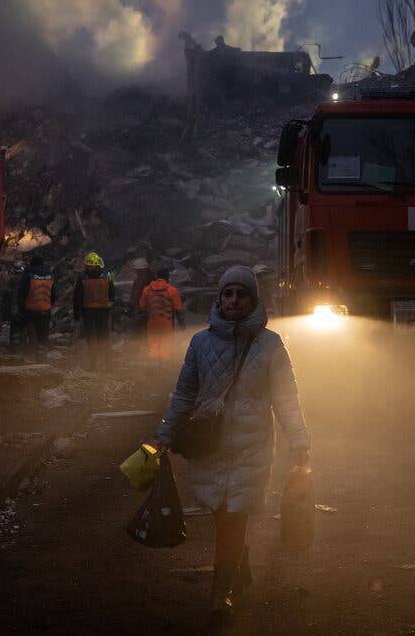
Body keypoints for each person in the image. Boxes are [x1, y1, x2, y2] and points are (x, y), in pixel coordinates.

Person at [154, 265, 310, 625]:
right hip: (209, 447)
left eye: (241, 294)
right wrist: (164, 435)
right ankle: (241, 568)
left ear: (252, 300)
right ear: (219, 299)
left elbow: (287, 399)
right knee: (224, 516)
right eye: (228, 294)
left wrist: (299, 442)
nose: (234, 300)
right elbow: (184, 395)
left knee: (232, 515)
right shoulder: (200, 344)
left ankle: (219, 592)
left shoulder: (270, 345)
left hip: (251, 448)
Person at [73, 251, 115, 371]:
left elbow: (77, 297)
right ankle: (108, 365)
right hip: (103, 311)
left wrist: (77, 314)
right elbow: (112, 293)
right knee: (104, 338)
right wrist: (110, 307)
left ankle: (94, 366)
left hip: (88, 312)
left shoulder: (82, 278)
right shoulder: (108, 275)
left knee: (91, 339)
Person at [138, 267, 185, 365]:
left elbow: (142, 307)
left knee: (153, 350)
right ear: (168, 277)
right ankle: (164, 372)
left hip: (152, 325)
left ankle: (154, 373)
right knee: (165, 351)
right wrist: (182, 327)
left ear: (156, 277)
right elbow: (179, 311)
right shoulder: (172, 290)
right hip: (166, 325)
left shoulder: (147, 290)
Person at [18, 255, 55, 354]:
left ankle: (30, 356)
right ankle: (42, 357)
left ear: (31, 263)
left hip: (30, 309)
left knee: (31, 333)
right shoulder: (50, 276)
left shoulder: (27, 275)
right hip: (45, 309)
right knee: (43, 335)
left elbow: (22, 293)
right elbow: (54, 294)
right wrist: (49, 305)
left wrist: (20, 310)